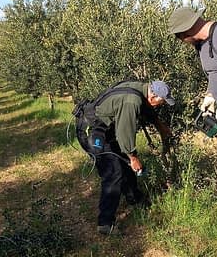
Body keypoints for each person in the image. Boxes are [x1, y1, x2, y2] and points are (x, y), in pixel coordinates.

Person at [168, 6, 217, 240]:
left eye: (178, 35)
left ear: (187, 29)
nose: (179, 40)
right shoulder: (201, 45)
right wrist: (211, 95)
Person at [74, 80, 175, 235]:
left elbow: (147, 108)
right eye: (161, 102)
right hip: (93, 132)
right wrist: (133, 157)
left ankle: (134, 198)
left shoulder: (141, 89)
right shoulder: (131, 101)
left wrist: (160, 125)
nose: (160, 105)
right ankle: (105, 224)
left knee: (125, 165)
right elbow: (124, 134)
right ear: (153, 95)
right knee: (113, 174)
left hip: (105, 130)